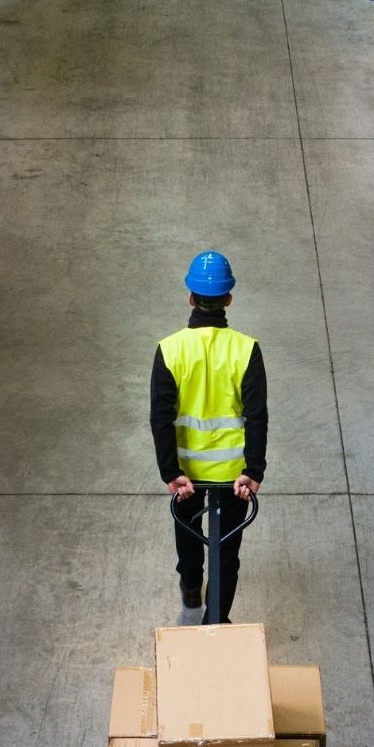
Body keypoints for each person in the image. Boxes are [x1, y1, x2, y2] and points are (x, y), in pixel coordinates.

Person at [150, 250, 268, 620]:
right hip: (234, 476)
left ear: (190, 296)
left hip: (187, 473)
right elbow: (257, 416)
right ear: (228, 299)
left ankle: (190, 586)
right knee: (227, 551)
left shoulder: (169, 350)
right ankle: (214, 619)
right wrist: (254, 470)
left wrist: (171, 472)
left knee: (188, 533)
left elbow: (160, 417)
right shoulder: (246, 350)